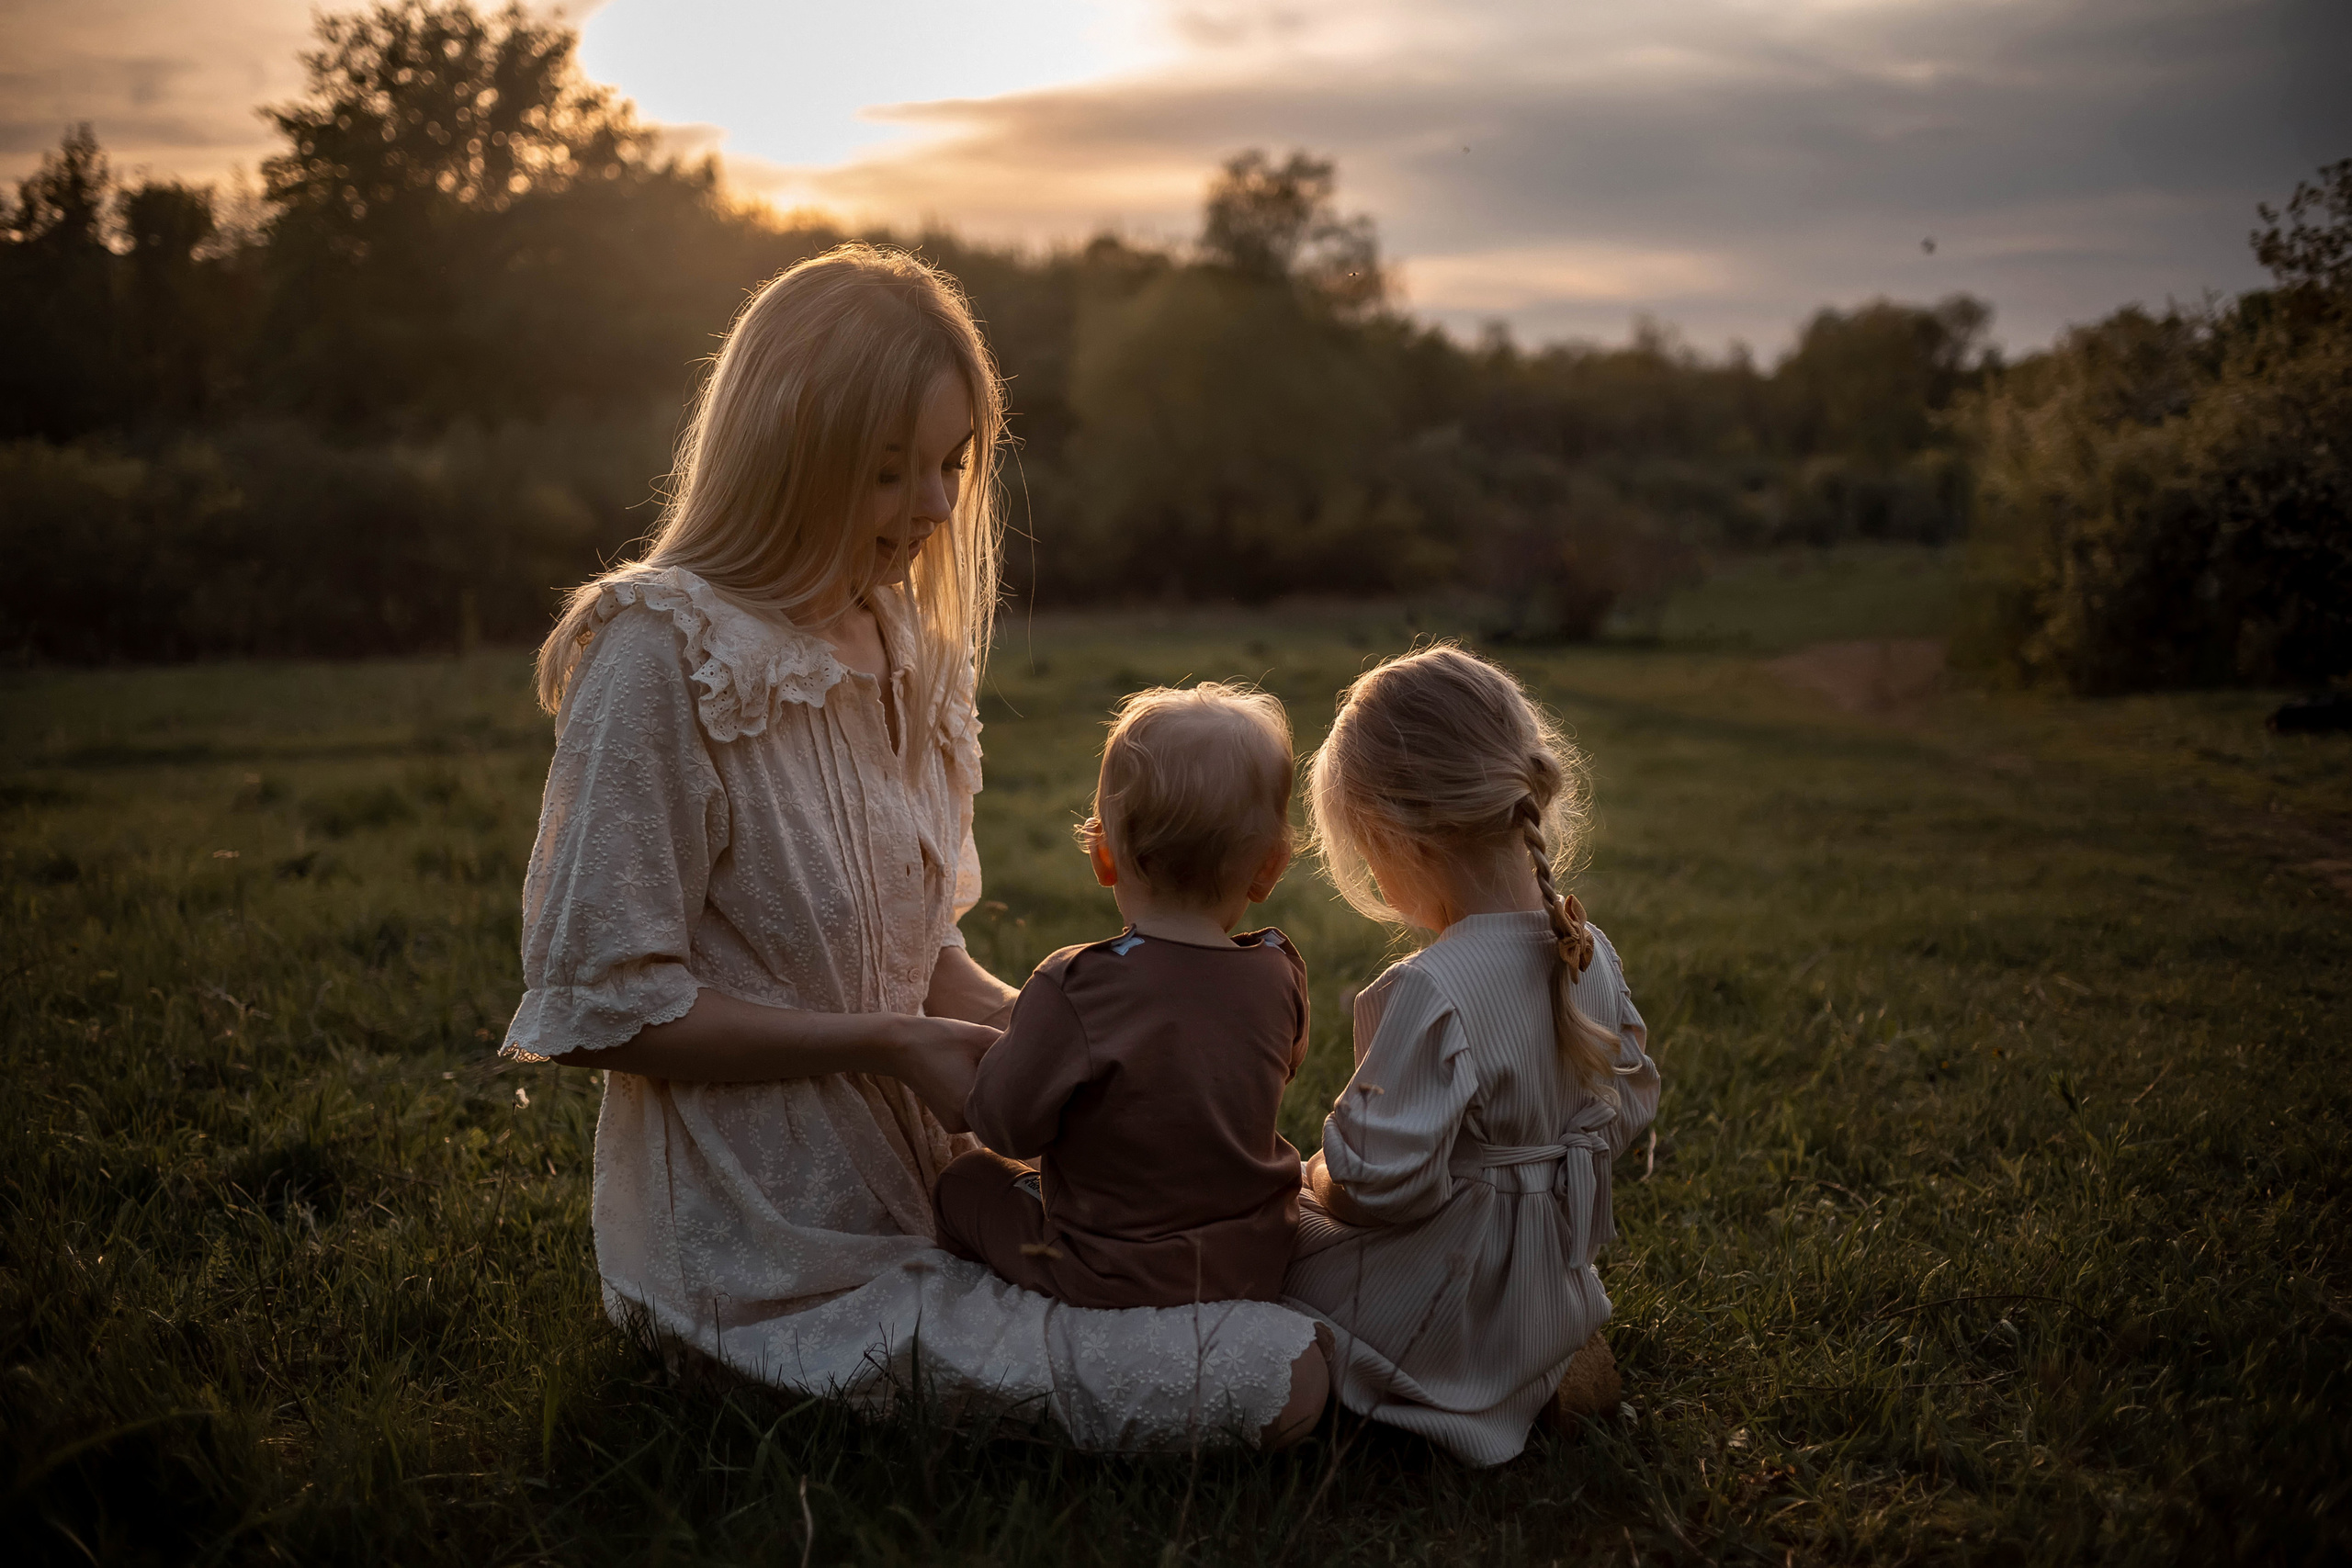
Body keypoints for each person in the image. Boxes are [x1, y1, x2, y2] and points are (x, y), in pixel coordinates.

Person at [503, 244, 1326, 1450]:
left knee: (1261, 1245)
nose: (939, 508)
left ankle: (1469, 1332)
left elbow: (912, 943)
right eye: (892, 471)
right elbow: (611, 1009)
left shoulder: (901, 641)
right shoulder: (658, 654)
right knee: (1270, 1373)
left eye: (950, 465)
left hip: (944, 1191)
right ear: (789, 453)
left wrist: (1084, 1032)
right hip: (766, 1247)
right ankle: (1407, 1362)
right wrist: (889, 1041)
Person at [1283, 644, 1661, 1466]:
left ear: (1393, 836)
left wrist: (1314, 1175)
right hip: (1542, 1283)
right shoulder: (1583, 948)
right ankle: (1548, 1358)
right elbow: (1627, 1105)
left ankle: (1453, 1385)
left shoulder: (1432, 988)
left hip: (1447, 1294)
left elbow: (1378, 1185)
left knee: (1264, 1242)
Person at [934, 683, 1309, 1310]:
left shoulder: (1075, 984)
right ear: (1269, 866)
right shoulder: (1277, 970)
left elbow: (1005, 1124)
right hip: (1252, 1261)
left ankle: (996, 1314)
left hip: (1107, 1270)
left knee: (966, 1180)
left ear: (1104, 855)